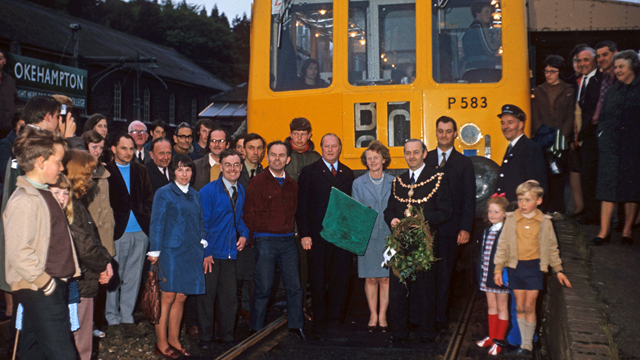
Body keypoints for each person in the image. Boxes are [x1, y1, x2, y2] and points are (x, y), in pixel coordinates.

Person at [4, 126, 80, 359]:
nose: (62, 167)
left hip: (48, 285)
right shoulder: (24, 201)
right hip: (40, 288)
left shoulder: (44, 193)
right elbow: (19, 253)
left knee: (32, 350)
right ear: (40, 162)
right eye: (58, 161)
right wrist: (46, 283)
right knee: (63, 354)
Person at [384, 139, 452, 343]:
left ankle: (426, 332)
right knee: (398, 288)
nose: (411, 156)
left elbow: (446, 211)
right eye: (407, 153)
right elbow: (389, 210)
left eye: (415, 152)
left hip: (425, 244)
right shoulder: (399, 181)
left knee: (426, 289)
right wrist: (392, 220)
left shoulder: (437, 178)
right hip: (400, 244)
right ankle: (399, 331)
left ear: (424, 154)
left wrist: (421, 222)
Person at [493, 180, 572, 356]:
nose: (523, 204)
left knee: (530, 306)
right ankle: (524, 344)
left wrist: (558, 270)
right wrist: (498, 269)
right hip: (516, 267)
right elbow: (503, 245)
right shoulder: (512, 219)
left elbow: (552, 247)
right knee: (519, 306)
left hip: (534, 269)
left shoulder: (545, 222)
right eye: (520, 200)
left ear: (539, 201)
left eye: (528, 200)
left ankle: (527, 346)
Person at [244, 141, 308, 339]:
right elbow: (249, 213)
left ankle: (296, 326)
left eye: (281, 155)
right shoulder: (257, 182)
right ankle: (255, 328)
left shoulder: (292, 185)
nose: (277, 159)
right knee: (263, 285)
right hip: (265, 240)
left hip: (288, 241)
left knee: (295, 286)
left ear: (287, 159)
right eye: (273, 155)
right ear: (267, 157)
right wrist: (255, 239)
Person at [147, 154, 207, 358]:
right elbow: (156, 224)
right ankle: (161, 343)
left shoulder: (195, 194)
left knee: (181, 297)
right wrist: (154, 251)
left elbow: (201, 220)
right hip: (170, 252)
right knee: (167, 297)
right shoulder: (164, 193)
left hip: (191, 252)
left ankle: (174, 339)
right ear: (173, 172)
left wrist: (203, 239)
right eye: (180, 169)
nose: (184, 174)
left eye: (188, 169)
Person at [297, 134, 355, 330]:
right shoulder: (309, 172)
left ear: (340, 148)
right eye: (326, 146)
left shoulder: (348, 173)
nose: (330, 150)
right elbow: (302, 205)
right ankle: (320, 317)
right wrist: (304, 233)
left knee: (340, 277)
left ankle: (336, 317)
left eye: (334, 146)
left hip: (340, 236)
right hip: (317, 236)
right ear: (321, 147)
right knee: (318, 278)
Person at [59, 152, 113, 360]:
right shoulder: (69, 204)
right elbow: (84, 247)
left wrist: (105, 261)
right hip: (79, 283)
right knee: (80, 339)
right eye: (88, 173)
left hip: (84, 279)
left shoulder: (76, 202)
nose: (91, 178)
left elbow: (91, 240)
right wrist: (104, 264)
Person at [425, 116, 475, 328]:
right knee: (426, 275)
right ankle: (424, 316)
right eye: (440, 131)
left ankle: (439, 318)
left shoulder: (464, 163)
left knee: (444, 275)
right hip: (427, 228)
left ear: (455, 134)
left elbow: (469, 198)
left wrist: (465, 228)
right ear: (435, 133)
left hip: (451, 229)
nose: (444, 135)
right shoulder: (425, 160)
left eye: (448, 131)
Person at [197, 149, 249, 348]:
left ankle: (227, 336)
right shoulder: (208, 191)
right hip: (211, 254)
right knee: (206, 298)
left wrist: (244, 234)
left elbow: (239, 220)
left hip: (229, 254)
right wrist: (206, 252)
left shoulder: (241, 190)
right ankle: (205, 338)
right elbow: (202, 224)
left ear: (241, 167)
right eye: (228, 165)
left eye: (236, 165)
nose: (232, 169)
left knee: (229, 298)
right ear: (221, 167)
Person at [105, 133, 153, 334]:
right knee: (114, 276)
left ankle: (127, 317)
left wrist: (145, 222)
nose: (128, 152)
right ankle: (111, 319)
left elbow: (149, 197)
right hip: (117, 232)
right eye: (123, 148)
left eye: (131, 148)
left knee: (133, 277)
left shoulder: (140, 170)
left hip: (139, 232)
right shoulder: (105, 172)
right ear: (114, 149)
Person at [593, 50, 640, 246]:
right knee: (607, 189)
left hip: (633, 147)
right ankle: (604, 232)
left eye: (621, 66)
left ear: (633, 67)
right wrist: (602, 137)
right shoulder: (613, 90)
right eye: (616, 67)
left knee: (631, 190)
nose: (617, 70)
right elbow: (603, 116)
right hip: (611, 147)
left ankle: (627, 231)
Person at [352, 141, 393, 332]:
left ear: (384, 159)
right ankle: (372, 315)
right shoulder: (358, 183)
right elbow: (356, 211)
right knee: (370, 279)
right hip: (367, 237)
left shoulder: (394, 182)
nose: (373, 161)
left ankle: (383, 315)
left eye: (376, 157)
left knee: (385, 278)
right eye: (369, 158)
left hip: (388, 236)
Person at [531, 55, 575, 213]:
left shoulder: (569, 90)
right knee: (544, 176)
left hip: (561, 141)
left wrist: (561, 137)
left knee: (559, 176)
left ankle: (558, 209)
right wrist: (543, 135)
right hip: (543, 140)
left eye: (553, 71)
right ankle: (545, 208)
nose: (548, 74)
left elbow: (571, 116)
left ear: (560, 72)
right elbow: (535, 116)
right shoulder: (538, 91)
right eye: (546, 71)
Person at [475, 194, 510, 356]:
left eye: (496, 212)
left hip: (499, 275)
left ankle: (499, 340)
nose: (492, 215)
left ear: (505, 214)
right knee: (491, 306)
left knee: (502, 307)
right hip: (487, 273)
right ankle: (492, 336)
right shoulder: (487, 230)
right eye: (490, 211)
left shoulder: (506, 232)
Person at [236, 132, 265, 325]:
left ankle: (252, 317)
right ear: (244, 151)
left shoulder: (266, 174)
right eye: (251, 148)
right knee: (236, 278)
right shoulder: (236, 172)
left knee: (257, 279)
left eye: (259, 148)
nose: (255, 152)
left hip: (260, 235)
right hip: (239, 234)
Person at [494, 104, 547, 203]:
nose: (505, 127)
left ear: (520, 125)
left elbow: (537, 186)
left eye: (510, 122)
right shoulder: (514, 147)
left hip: (521, 210)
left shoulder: (531, 148)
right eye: (503, 123)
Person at [574, 47, 603, 224]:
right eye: (579, 60)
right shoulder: (580, 81)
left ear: (594, 61)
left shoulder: (601, 81)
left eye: (586, 60)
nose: (582, 64)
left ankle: (597, 216)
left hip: (595, 137)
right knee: (587, 177)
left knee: (595, 177)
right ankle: (591, 214)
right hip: (584, 138)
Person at [462, 2, 501, 71]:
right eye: (486, 11)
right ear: (477, 13)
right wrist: (498, 41)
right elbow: (491, 50)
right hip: (481, 68)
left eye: (491, 11)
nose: (490, 14)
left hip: (475, 67)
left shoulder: (474, 27)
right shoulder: (479, 27)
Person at [0, 115, 24, 182]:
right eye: (20, 124)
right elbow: (4, 171)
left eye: (25, 125)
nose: (23, 128)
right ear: (15, 126)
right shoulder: (5, 144)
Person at [0, 50, 18, 137]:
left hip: (7, 130)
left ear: (5, 61)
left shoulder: (10, 81)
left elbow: (16, 102)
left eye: (0, 59)